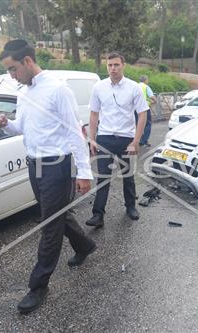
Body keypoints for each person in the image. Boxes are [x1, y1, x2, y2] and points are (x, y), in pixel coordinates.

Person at [0, 39, 96, 314]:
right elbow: (21, 129)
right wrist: (6, 124)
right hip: (34, 164)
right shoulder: (23, 92)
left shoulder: (58, 89)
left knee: (49, 224)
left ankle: (38, 285)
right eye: (8, 72)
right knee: (57, 213)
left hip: (57, 165)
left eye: (13, 69)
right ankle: (84, 245)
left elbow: (75, 132)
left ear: (27, 61)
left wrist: (84, 173)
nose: (11, 76)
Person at [85, 51, 149, 228]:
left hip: (126, 139)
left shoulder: (134, 87)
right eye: (109, 65)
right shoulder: (99, 87)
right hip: (104, 138)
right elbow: (94, 114)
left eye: (116, 65)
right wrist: (92, 139)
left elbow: (142, 114)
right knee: (103, 178)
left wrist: (136, 141)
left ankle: (130, 207)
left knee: (128, 176)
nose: (112, 68)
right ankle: (98, 215)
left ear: (123, 65)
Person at [136, 75, 156, 147]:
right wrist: (154, 101)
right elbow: (152, 97)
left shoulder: (136, 86)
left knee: (137, 124)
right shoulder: (146, 87)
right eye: (147, 80)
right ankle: (144, 141)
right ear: (145, 80)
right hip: (144, 109)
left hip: (135, 109)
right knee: (147, 124)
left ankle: (137, 140)